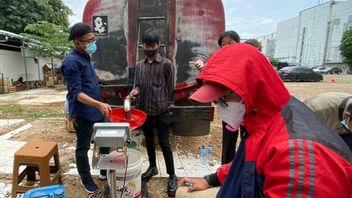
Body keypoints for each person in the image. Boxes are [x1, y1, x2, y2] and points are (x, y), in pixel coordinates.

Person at [177, 43, 352, 197]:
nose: (219, 105)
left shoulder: (299, 156)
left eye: (222, 98)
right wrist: (211, 179)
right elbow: (249, 163)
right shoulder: (263, 119)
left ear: (252, 87)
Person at [61, 22, 111, 194]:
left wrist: (97, 79)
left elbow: (86, 76)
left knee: (105, 139)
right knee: (83, 148)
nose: (92, 43)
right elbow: (76, 93)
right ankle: (86, 178)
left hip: (96, 109)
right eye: (88, 40)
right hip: (83, 113)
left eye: (93, 39)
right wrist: (99, 104)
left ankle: (104, 170)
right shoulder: (70, 62)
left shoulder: (85, 56)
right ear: (77, 42)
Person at [128, 29, 177, 197]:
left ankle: (172, 175)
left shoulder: (166, 64)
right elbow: (138, 85)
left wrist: (162, 100)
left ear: (158, 45)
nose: (149, 48)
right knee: (149, 141)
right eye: (146, 45)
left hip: (162, 110)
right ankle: (153, 167)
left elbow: (170, 88)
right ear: (143, 45)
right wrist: (135, 91)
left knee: (164, 143)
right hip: (145, 112)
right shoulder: (140, 66)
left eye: (152, 45)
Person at [190, 30, 244, 165]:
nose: (226, 46)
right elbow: (209, 75)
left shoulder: (244, 60)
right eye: (223, 44)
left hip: (246, 109)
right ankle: (226, 169)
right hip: (229, 109)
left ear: (238, 43)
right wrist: (202, 68)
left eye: (230, 43)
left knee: (247, 143)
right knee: (228, 142)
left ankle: (243, 168)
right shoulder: (218, 61)